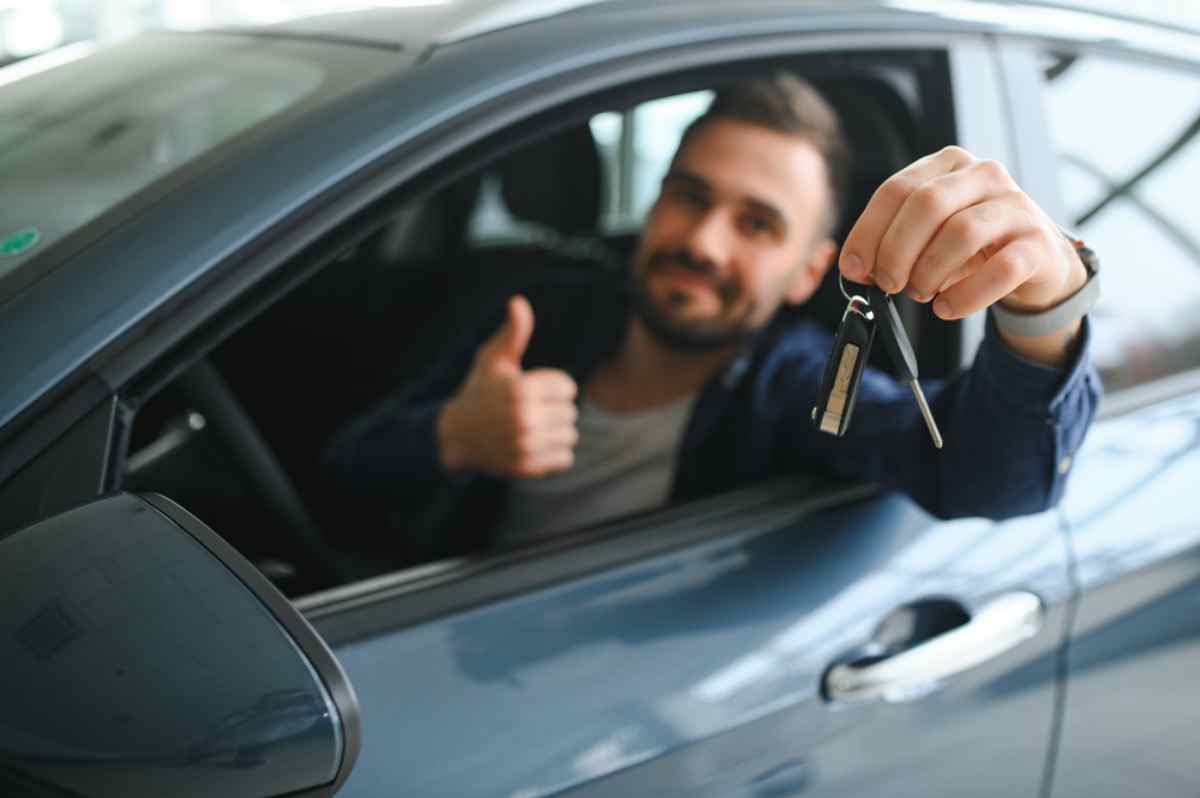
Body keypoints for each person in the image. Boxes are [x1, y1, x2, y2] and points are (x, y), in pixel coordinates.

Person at [323, 73, 1101, 555]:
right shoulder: (537, 315)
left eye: (756, 224)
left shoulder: (796, 386)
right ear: (655, 198)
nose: (701, 242)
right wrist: (455, 437)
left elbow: (997, 482)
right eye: (689, 196)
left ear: (808, 273)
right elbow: (340, 476)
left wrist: (1047, 302)